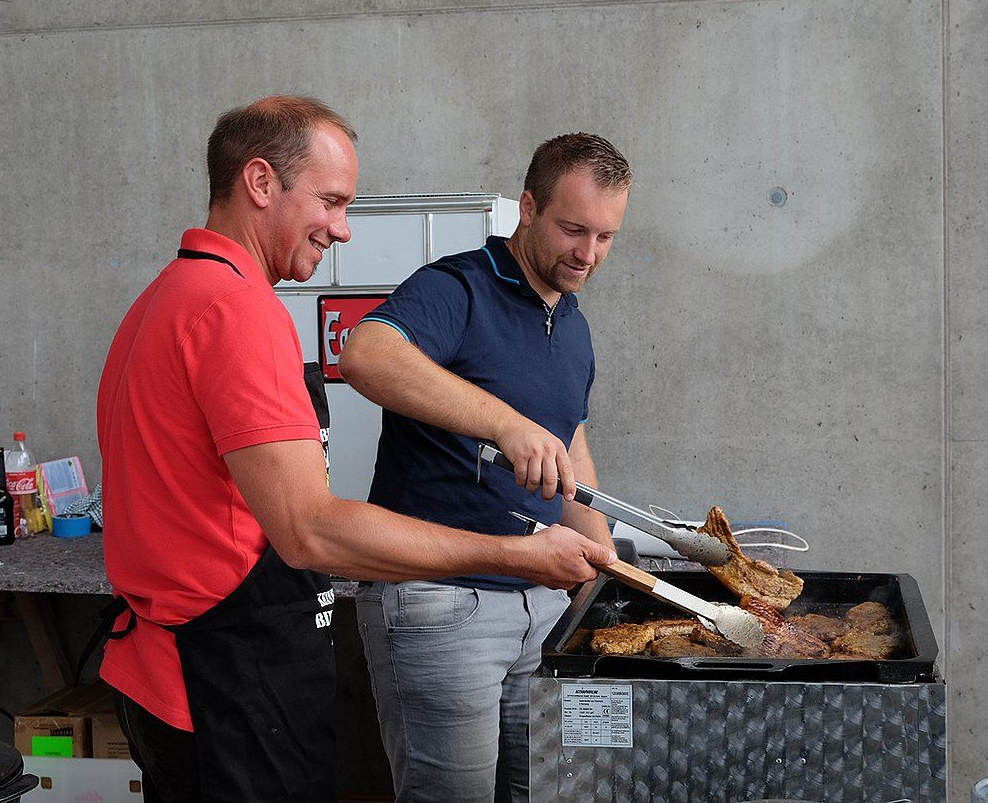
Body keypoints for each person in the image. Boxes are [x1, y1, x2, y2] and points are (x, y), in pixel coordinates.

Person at [95, 97, 615, 803]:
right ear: (259, 182)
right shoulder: (235, 312)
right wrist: (514, 553)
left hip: (187, 664)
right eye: (332, 202)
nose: (343, 229)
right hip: (221, 672)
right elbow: (309, 529)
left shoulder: (170, 294)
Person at [337, 132, 632, 802]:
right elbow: (366, 356)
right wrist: (504, 422)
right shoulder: (456, 286)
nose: (587, 253)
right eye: (573, 229)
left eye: (606, 237)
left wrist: (604, 572)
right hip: (443, 604)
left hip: (543, 602)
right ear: (528, 207)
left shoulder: (574, 322)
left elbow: (569, 443)